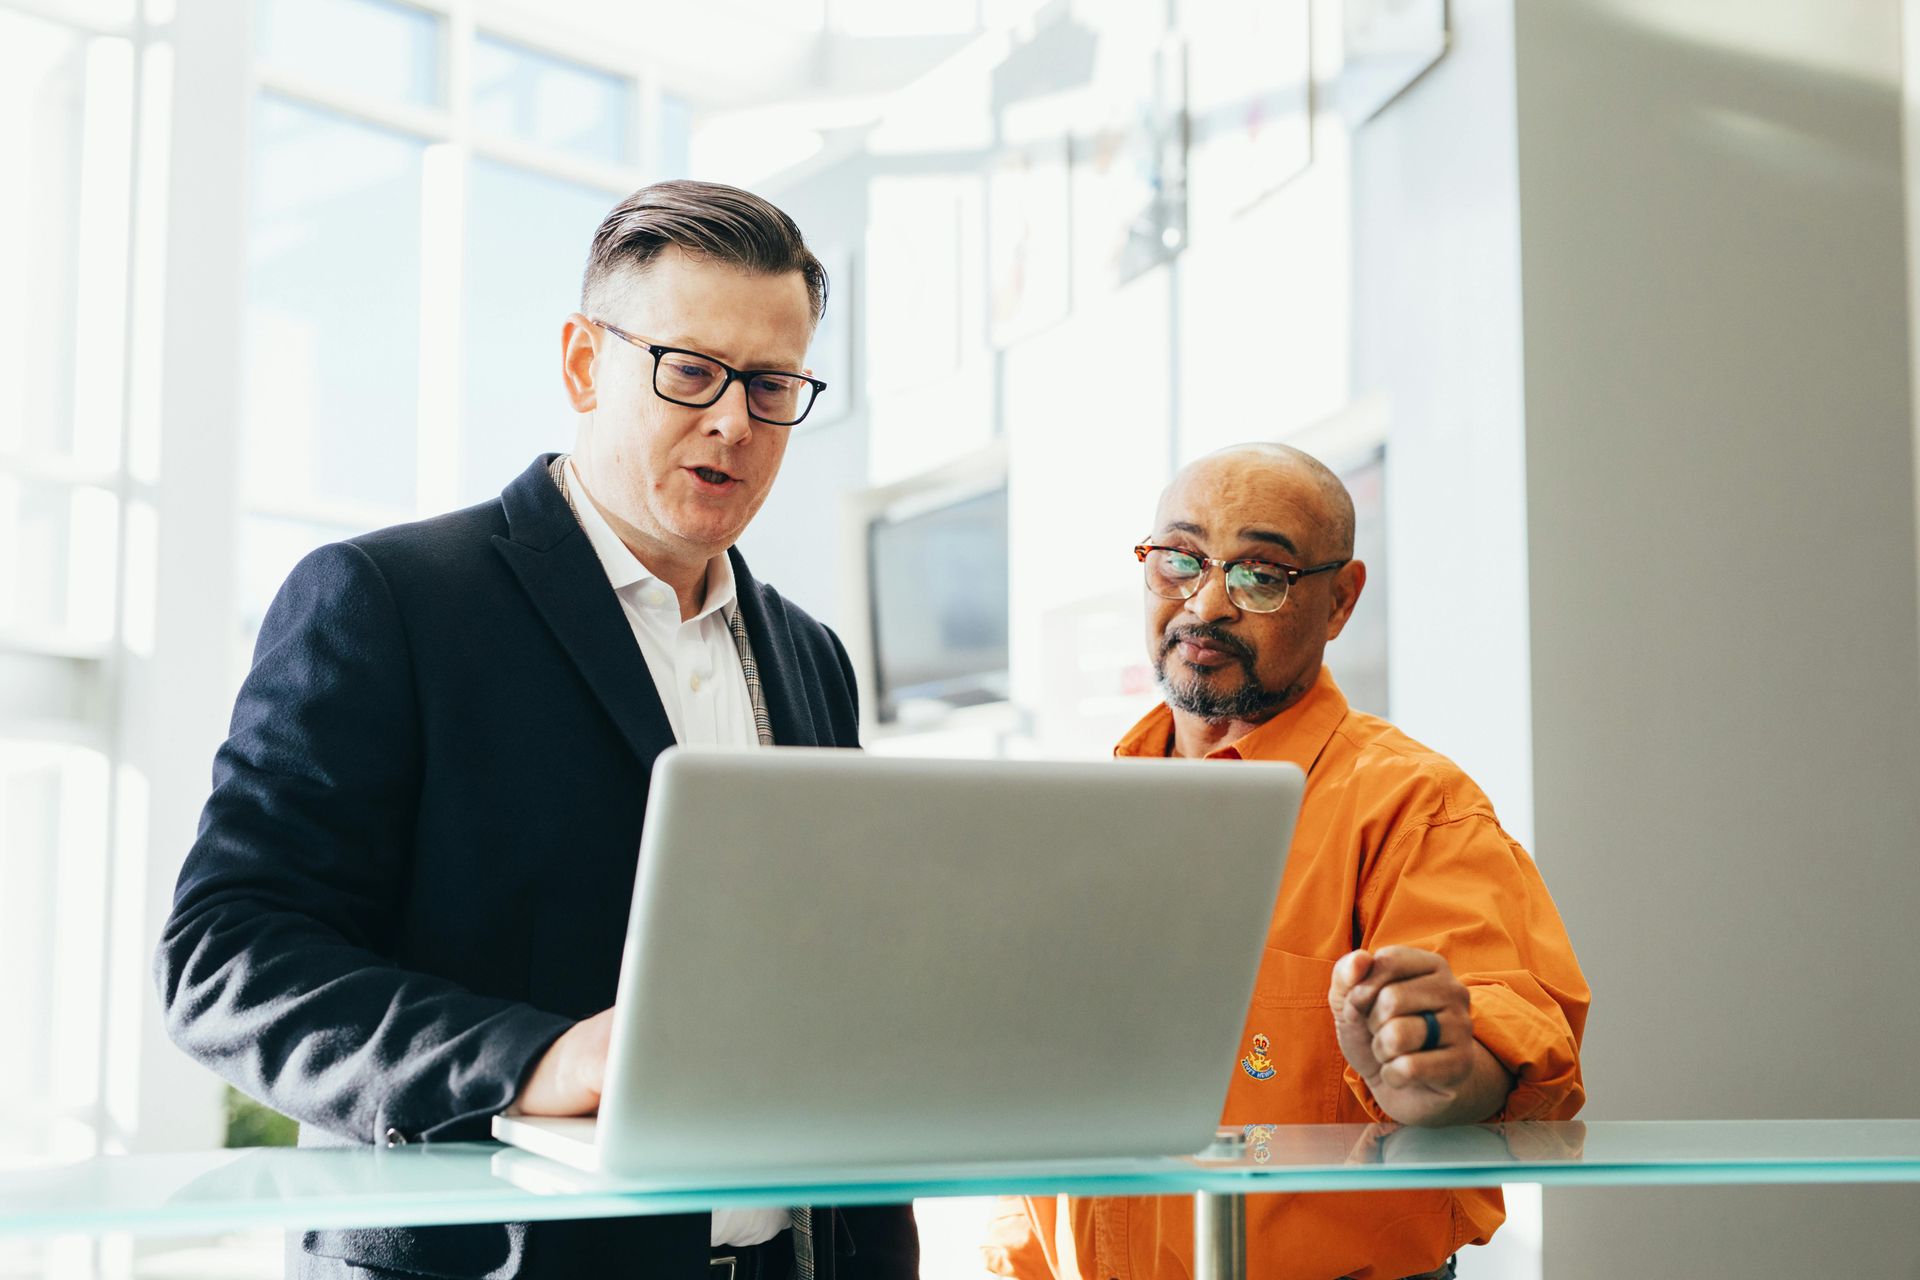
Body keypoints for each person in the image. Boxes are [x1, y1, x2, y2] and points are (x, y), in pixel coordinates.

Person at [156, 180, 918, 1280]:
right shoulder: (386, 599)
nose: (732, 423)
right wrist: (537, 1059)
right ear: (581, 363)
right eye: (689, 370)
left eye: (771, 384)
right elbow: (226, 958)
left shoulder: (811, 655)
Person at [984, 443, 1589, 1280]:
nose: (1206, 603)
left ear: (1340, 600)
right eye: (1178, 561)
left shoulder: (1413, 807)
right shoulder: (1089, 815)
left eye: (1260, 575)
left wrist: (1437, 1074)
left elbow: (1502, 1045)